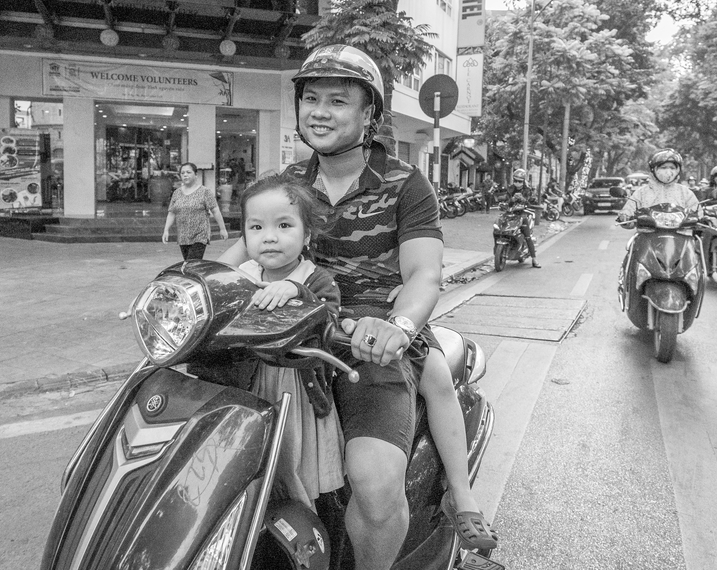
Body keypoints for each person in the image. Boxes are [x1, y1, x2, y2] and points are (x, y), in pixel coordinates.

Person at [219, 44, 496, 568]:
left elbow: (424, 273)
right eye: (311, 99)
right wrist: (186, 293)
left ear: (369, 114)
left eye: (338, 101)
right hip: (288, 334)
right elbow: (236, 258)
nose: (320, 112)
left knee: (375, 482)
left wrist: (399, 325)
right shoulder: (289, 186)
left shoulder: (406, 185)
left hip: (368, 341)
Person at [236, 174, 346, 508]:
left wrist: (297, 291)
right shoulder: (240, 277)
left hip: (295, 392)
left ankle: (303, 516)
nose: (269, 237)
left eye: (284, 225)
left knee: (291, 462)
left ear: (307, 234)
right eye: (256, 227)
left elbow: (328, 320)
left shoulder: (315, 279)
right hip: (249, 385)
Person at [162, 162, 229, 259]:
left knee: (192, 262)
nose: (185, 175)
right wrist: (166, 230)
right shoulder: (177, 193)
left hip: (200, 235)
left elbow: (215, 210)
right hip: (183, 236)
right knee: (189, 263)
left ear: (196, 175)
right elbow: (171, 213)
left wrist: (222, 229)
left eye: (188, 172)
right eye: (182, 173)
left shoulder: (205, 192)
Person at [617, 149, 700, 224]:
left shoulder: (685, 192)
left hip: (680, 234)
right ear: (654, 169)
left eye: (672, 168)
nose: (668, 171)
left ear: (678, 171)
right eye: (663, 167)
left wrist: (702, 219)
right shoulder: (642, 192)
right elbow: (629, 210)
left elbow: (697, 212)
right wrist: (625, 217)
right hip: (647, 234)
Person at [499, 168, 541, 268]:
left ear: (523, 181)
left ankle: (534, 259)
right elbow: (507, 201)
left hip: (522, 214)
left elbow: (530, 202)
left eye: (519, 181)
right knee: (500, 229)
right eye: (515, 180)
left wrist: (523, 199)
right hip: (510, 214)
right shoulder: (510, 189)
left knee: (527, 236)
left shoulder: (527, 190)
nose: (517, 183)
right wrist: (512, 199)